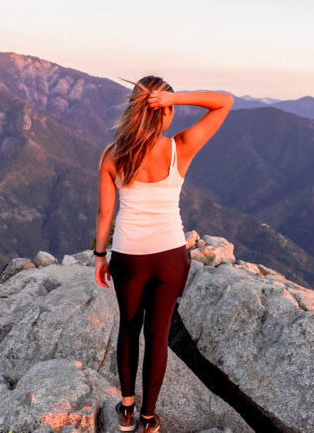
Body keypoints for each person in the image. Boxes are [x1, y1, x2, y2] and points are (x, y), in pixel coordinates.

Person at [93, 75, 232, 432]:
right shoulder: (179, 147)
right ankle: (150, 418)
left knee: (128, 328)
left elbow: (105, 214)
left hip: (129, 257)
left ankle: (125, 410)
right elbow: (224, 101)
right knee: (158, 336)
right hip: (171, 257)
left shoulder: (112, 155)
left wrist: (99, 256)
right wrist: (177, 97)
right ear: (164, 111)